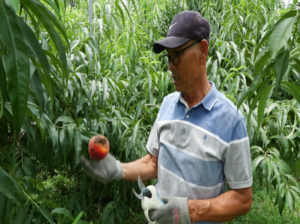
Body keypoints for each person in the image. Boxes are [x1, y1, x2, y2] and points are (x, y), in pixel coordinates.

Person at [80, 11, 252, 224]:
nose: (170, 66)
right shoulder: (168, 104)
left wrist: (191, 211)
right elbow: (153, 162)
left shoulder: (231, 120)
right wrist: (118, 169)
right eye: (168, 57)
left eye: (177, 55)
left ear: (203, 51)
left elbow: (243, 199)